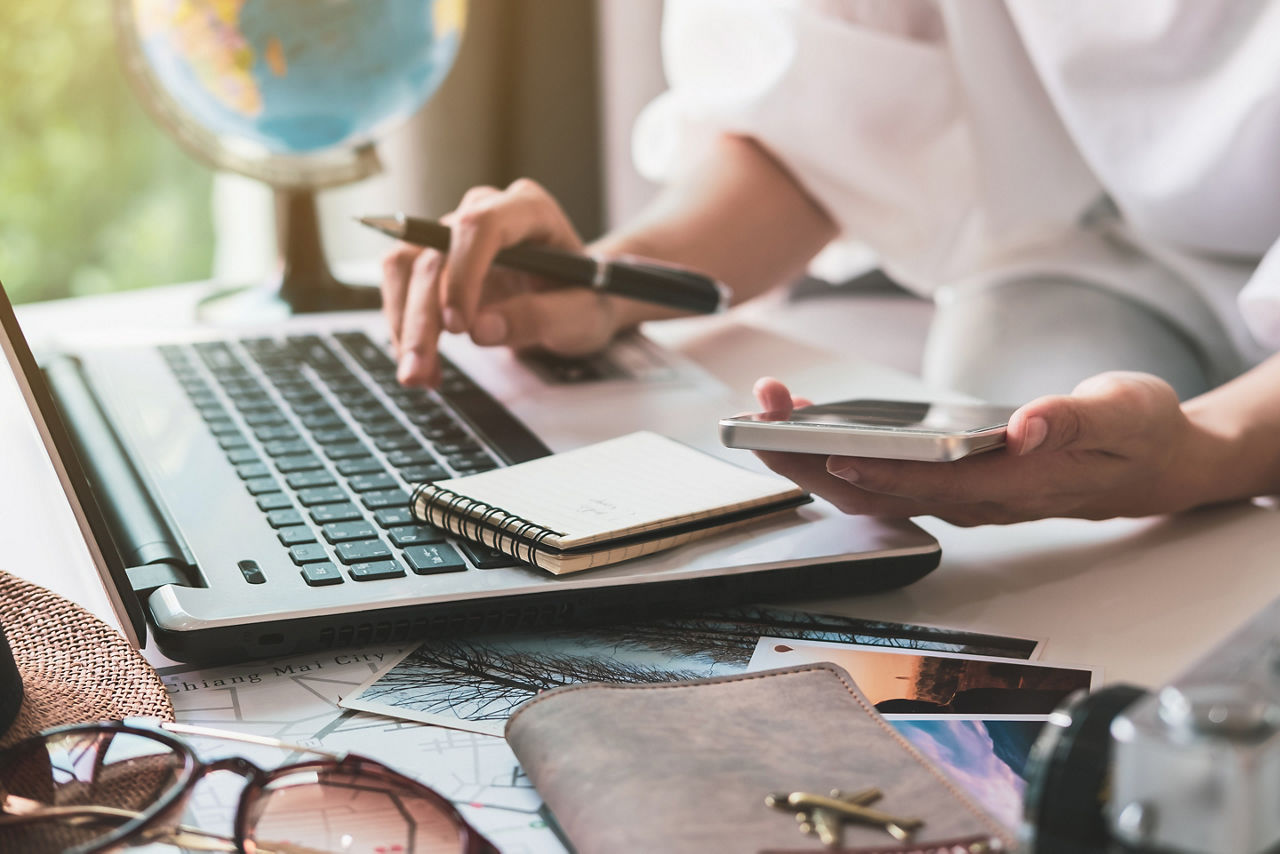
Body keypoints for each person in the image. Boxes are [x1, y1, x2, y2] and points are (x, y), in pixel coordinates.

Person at [380, 0, 1280, 527]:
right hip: (1093, 257)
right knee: (1020, 499)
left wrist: (1204, 455)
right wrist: (606, 281)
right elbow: (816, 130)